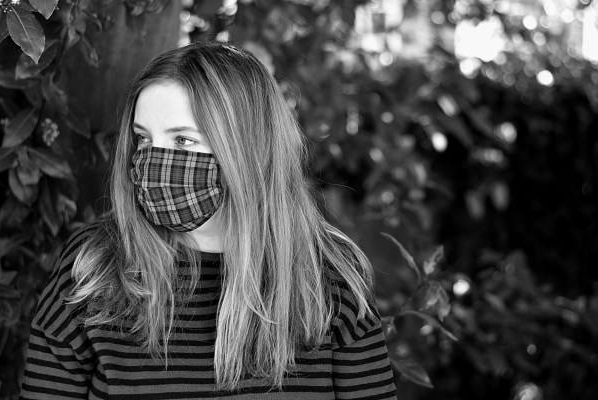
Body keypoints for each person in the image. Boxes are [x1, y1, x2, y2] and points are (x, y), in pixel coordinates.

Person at [20, 41, 398, 399]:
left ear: (246, 148)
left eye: (183, 141)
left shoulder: (328, 277)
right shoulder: (95, 265)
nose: (152, 162)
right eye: (143, 139)